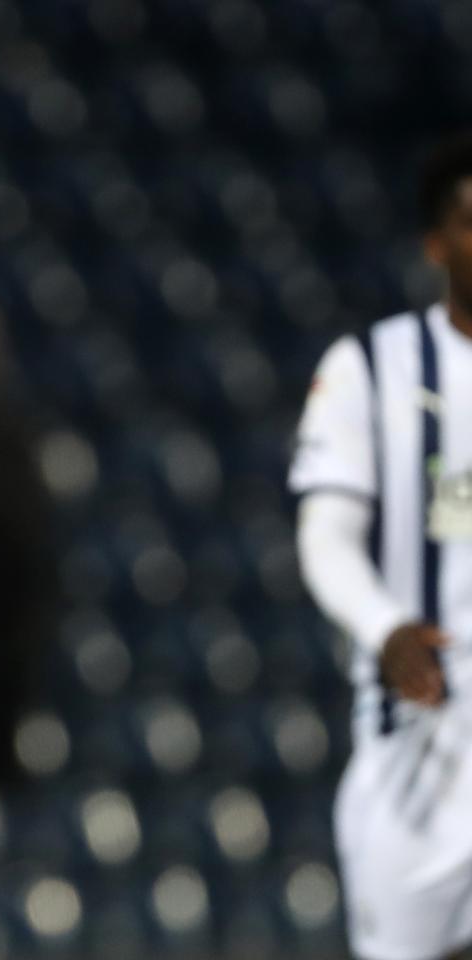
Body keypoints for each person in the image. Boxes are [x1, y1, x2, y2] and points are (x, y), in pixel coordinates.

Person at [291, 133, 472, 960]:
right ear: (437, 242)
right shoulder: (371, 366)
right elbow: (326, 537)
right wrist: (386, 627)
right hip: (423, 743)